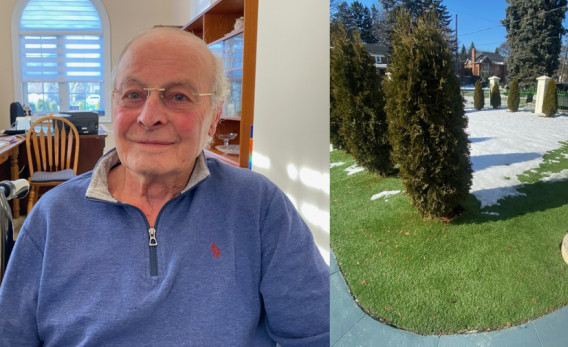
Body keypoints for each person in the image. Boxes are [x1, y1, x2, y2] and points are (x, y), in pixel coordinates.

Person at [0, 27, 329, 346]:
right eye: (133, 95)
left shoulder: (258, 206)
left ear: (214, 118)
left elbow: (319, 332)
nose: (149, 116)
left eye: (178, 96)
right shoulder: (52, 217)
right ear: (115, 107)